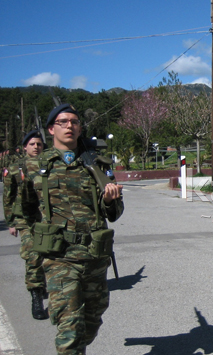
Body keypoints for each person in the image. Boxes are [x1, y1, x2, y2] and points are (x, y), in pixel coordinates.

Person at [21, 103, 124, 355]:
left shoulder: (97, 163)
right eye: (63, 122)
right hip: (60, 257)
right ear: (50, 129)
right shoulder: (35, 166)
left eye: (74, 122)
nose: (70, 126)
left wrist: (110, 200)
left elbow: (115, 212)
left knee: (92, 321)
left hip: (94, 255)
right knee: (70, 328)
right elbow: (27, 209)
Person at [3, 130, 46, 319]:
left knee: (49, 253)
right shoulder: (15, 168)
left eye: (39, 144)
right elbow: (8, 197)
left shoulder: (49, 165)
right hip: (25, 219)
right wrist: (11, 222)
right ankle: (36, 298)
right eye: (32, 144)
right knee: (33, 255)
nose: (36, 147)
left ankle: (42, 284)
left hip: (46, 217)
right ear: (25, 147)